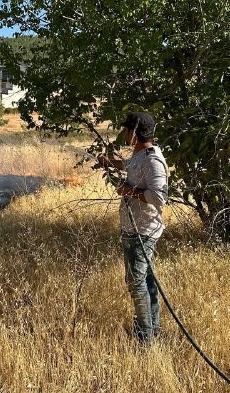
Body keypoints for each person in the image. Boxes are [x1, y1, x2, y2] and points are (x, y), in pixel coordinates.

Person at [98, 112, 168, 344]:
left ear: (135, 133)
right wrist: (110, 163)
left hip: (142, 230)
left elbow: (159, 197)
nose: (125, 134)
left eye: (127, 130)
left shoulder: (152, 159)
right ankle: (152, 328)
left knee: (137, 283)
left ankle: (145, 337)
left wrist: (129, 192)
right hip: (134, 227)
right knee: (146, 280)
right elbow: (130, 165)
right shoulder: (140, 155)